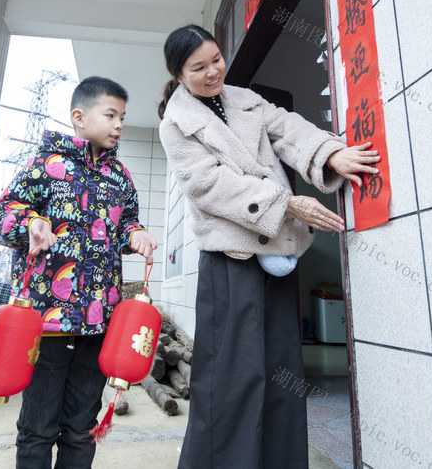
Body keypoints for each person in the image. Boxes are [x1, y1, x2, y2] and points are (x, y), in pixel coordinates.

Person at [156, 24, 380, 469]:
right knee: (232, 380)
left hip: (278, 255)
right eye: (198, 68)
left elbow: (289, 129)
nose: (213, 71)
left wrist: (330, 153)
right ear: (179, 75)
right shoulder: (175, 124)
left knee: (282, 373)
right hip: (230, 261)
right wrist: (288, 202)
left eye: (216, 59)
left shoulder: (246, 99)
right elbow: (208, 186)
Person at [0, 76, 159, 469]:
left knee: (81, 427)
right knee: (38, 427)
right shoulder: (46, 166)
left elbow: (126, 224)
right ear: (79, 117)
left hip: (99, 323)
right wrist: (29, 223)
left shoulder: (121, 178)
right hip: (46, 323)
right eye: (110, 115)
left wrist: (136, 235)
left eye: (123, 117)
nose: (118, 125)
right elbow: (1, 216)